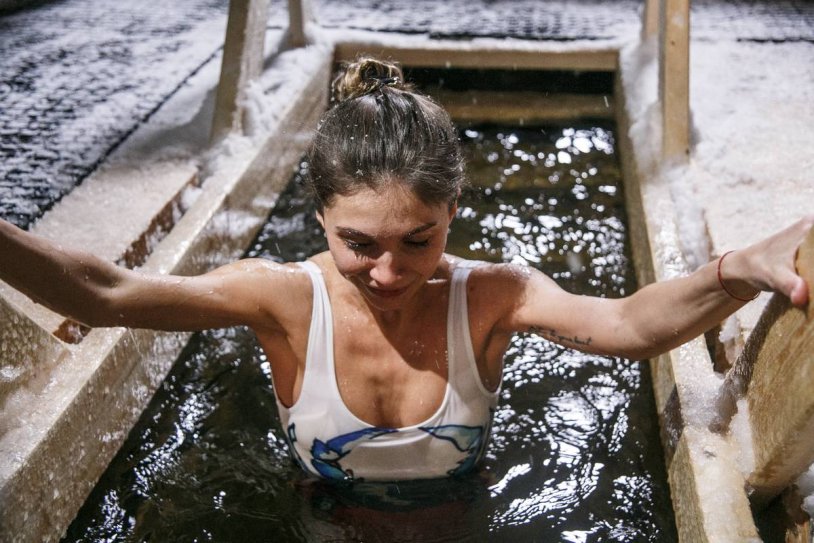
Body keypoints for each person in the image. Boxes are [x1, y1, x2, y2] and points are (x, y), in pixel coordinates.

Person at [0, 57, 811, 482]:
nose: (388, 273)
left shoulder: (493, 294)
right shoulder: (282, 301)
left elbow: (631, 324)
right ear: (316, 215)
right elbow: (104, 293)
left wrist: (739, 266)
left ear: (453, 209)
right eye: (358, 243)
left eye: (418, 241)